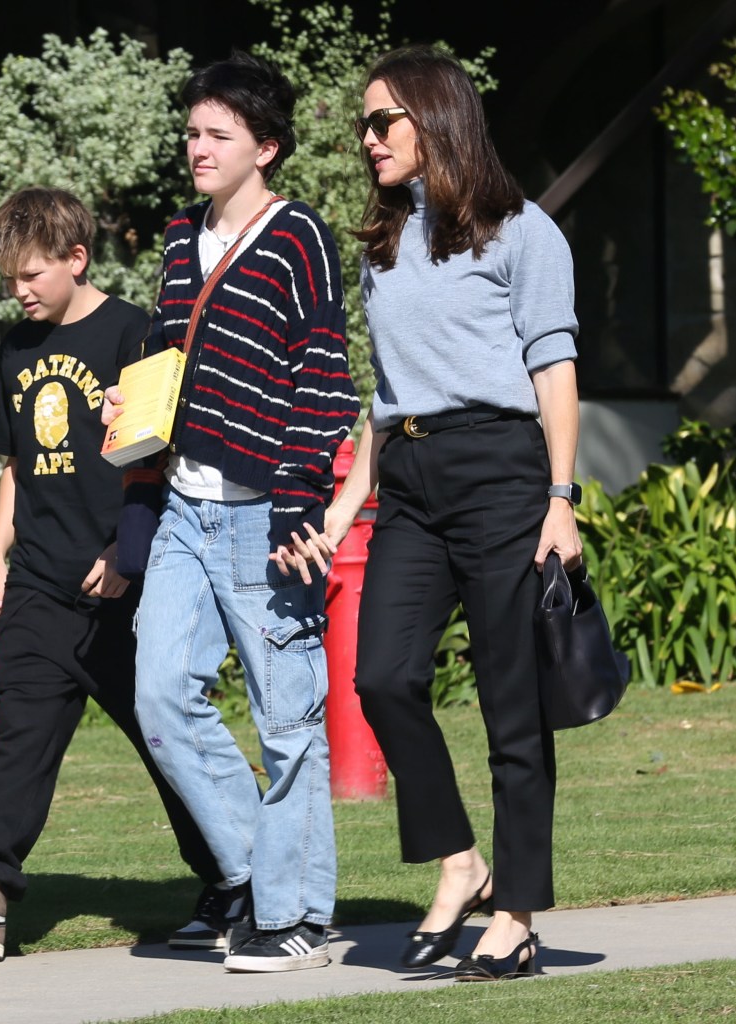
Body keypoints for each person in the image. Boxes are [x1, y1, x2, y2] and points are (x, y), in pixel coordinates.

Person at [0, 186, 228, 962]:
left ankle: (233, 881)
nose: (18, 291)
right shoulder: (16, 346)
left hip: (120, 584)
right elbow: (17, 465)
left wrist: (125, 552)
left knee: (166, 739)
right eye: (10, 278)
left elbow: (151, 453)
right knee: (20, 737)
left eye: (31, 275)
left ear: (77, 259)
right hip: (42, 584)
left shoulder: (132, 333)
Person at [321, 45, 581, 982]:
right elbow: (384, 393)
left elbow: (553, 367)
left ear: (433, 120)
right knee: (381, 676)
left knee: (514, 707)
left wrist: (560, 499)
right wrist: (352, 491)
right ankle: (459, 862)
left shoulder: (520, 232)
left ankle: (513, 912)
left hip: (502, 472)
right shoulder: (384, 245)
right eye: (363, 123)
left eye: (380, 121)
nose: (366, 139)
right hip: (412, 480)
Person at [104, 52, 359, 972]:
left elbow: (321, 380)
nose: (197, 148)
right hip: (181, 507)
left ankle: (294, 917)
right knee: (160, 697)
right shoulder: (179, 239)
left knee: (286, 720)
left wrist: (301, 503)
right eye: (191, 133)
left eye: (217, 135)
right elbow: (170, 361)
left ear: (267, 147)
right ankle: (260, 874)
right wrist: (127, 410)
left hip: (265, 515)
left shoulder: (299, 238)